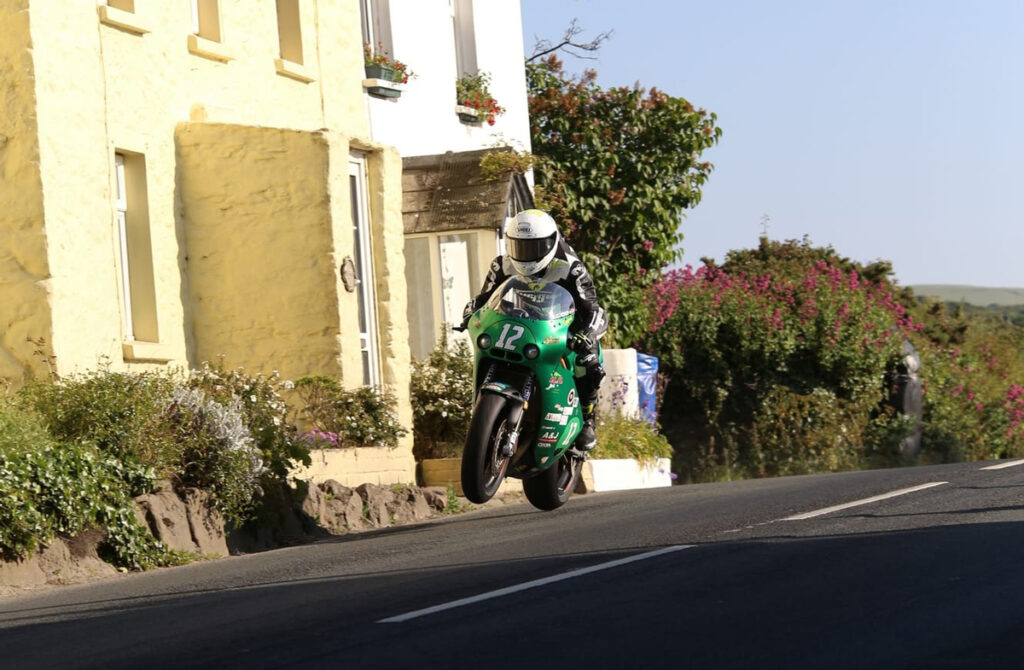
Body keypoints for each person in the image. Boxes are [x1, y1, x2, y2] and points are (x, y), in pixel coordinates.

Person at [461, 209, 607, 451]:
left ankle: (587, 417)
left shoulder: (571, 268)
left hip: (564, 324)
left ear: (551, 242)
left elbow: (594, 310)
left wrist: (587, 335)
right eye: (519, 247)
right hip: (523, 322)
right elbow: (484, 299)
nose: (525, 255)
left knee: (588, 362)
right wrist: (469, 313)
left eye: (534, 247)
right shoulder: (501, 264)